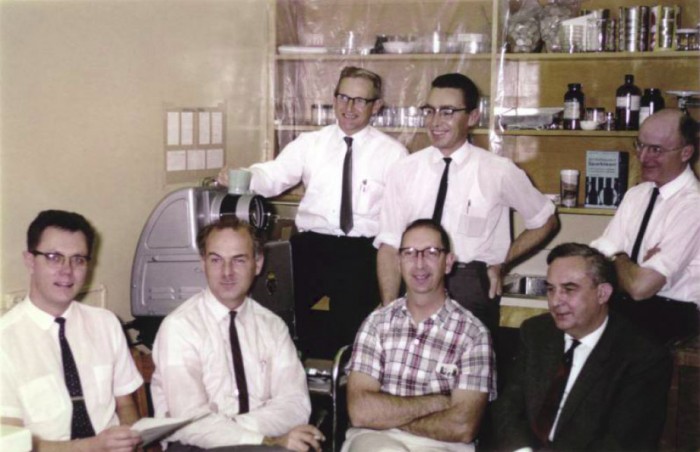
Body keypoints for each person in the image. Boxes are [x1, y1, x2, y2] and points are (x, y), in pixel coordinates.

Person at [218, 66, 407, 358]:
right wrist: (242, 177)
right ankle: (294, 385)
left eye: (360, 100)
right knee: (283, 320)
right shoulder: (310, 143)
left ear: (376, 106)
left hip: (363, 251)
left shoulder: (393, 153)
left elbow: (399, 216)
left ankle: (345, 391)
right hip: (311, 246)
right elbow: (274, 175)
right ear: (334, 98)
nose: (349, 107)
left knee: (351, 332)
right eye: (343, 97)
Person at [376, 73, 557, 334]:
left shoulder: (498, 171)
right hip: (414, 280)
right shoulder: (403, 170)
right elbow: (390, 245)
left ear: (472, 117)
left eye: (448, 112)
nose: (435, 122)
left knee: (468, 370)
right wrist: (389, 307)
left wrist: (501, 263)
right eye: (430, 111)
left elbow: (545, 220)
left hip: (469, 285)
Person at [151, 217, 324, 451]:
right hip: (196, 447)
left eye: (239, 260)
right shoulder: (179, 327)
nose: (227, 272)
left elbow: (295, 405)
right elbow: (191, 423)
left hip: (264, 441)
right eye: (215, 260)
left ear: (258, 263)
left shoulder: (273, 327)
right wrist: (264, 440)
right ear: (203, 263)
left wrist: (234, 427)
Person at [491, 243, 672, 451]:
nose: (556, 301)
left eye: (569, 289)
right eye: (550, 289)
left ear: (602, 293)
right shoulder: (536, 333)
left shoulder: (641, 355)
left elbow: (623, 443)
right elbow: (508, 407)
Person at [342, 219, 496, 452]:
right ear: (399, 262)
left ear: (448, 262)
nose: (420, 264)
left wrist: (388, 416)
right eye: (410, 253)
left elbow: (463, 426)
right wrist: (439, 402)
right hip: (374, 439)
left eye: (432, 253)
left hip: (443, 445)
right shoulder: (377, 324)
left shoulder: (474, 335)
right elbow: (361, 411)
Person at [0, 210, 143, 451]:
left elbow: (126, 405)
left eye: (78, 259)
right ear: (30, 261)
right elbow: (10, 444)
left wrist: (129, 437)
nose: (67, 270)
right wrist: (92, 446)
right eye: (54, 257)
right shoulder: (5, 340)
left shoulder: (106, 324)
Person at [591, 109, 700, 344]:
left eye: (656, 150)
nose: (642, 157)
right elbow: (596, 260)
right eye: (640, 145)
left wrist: (617, 256)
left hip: (668, 318)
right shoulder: (637, 194)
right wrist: (631, 264)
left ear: (686, 152)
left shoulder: (693, 206)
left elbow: (641, 288)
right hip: (624, 309)